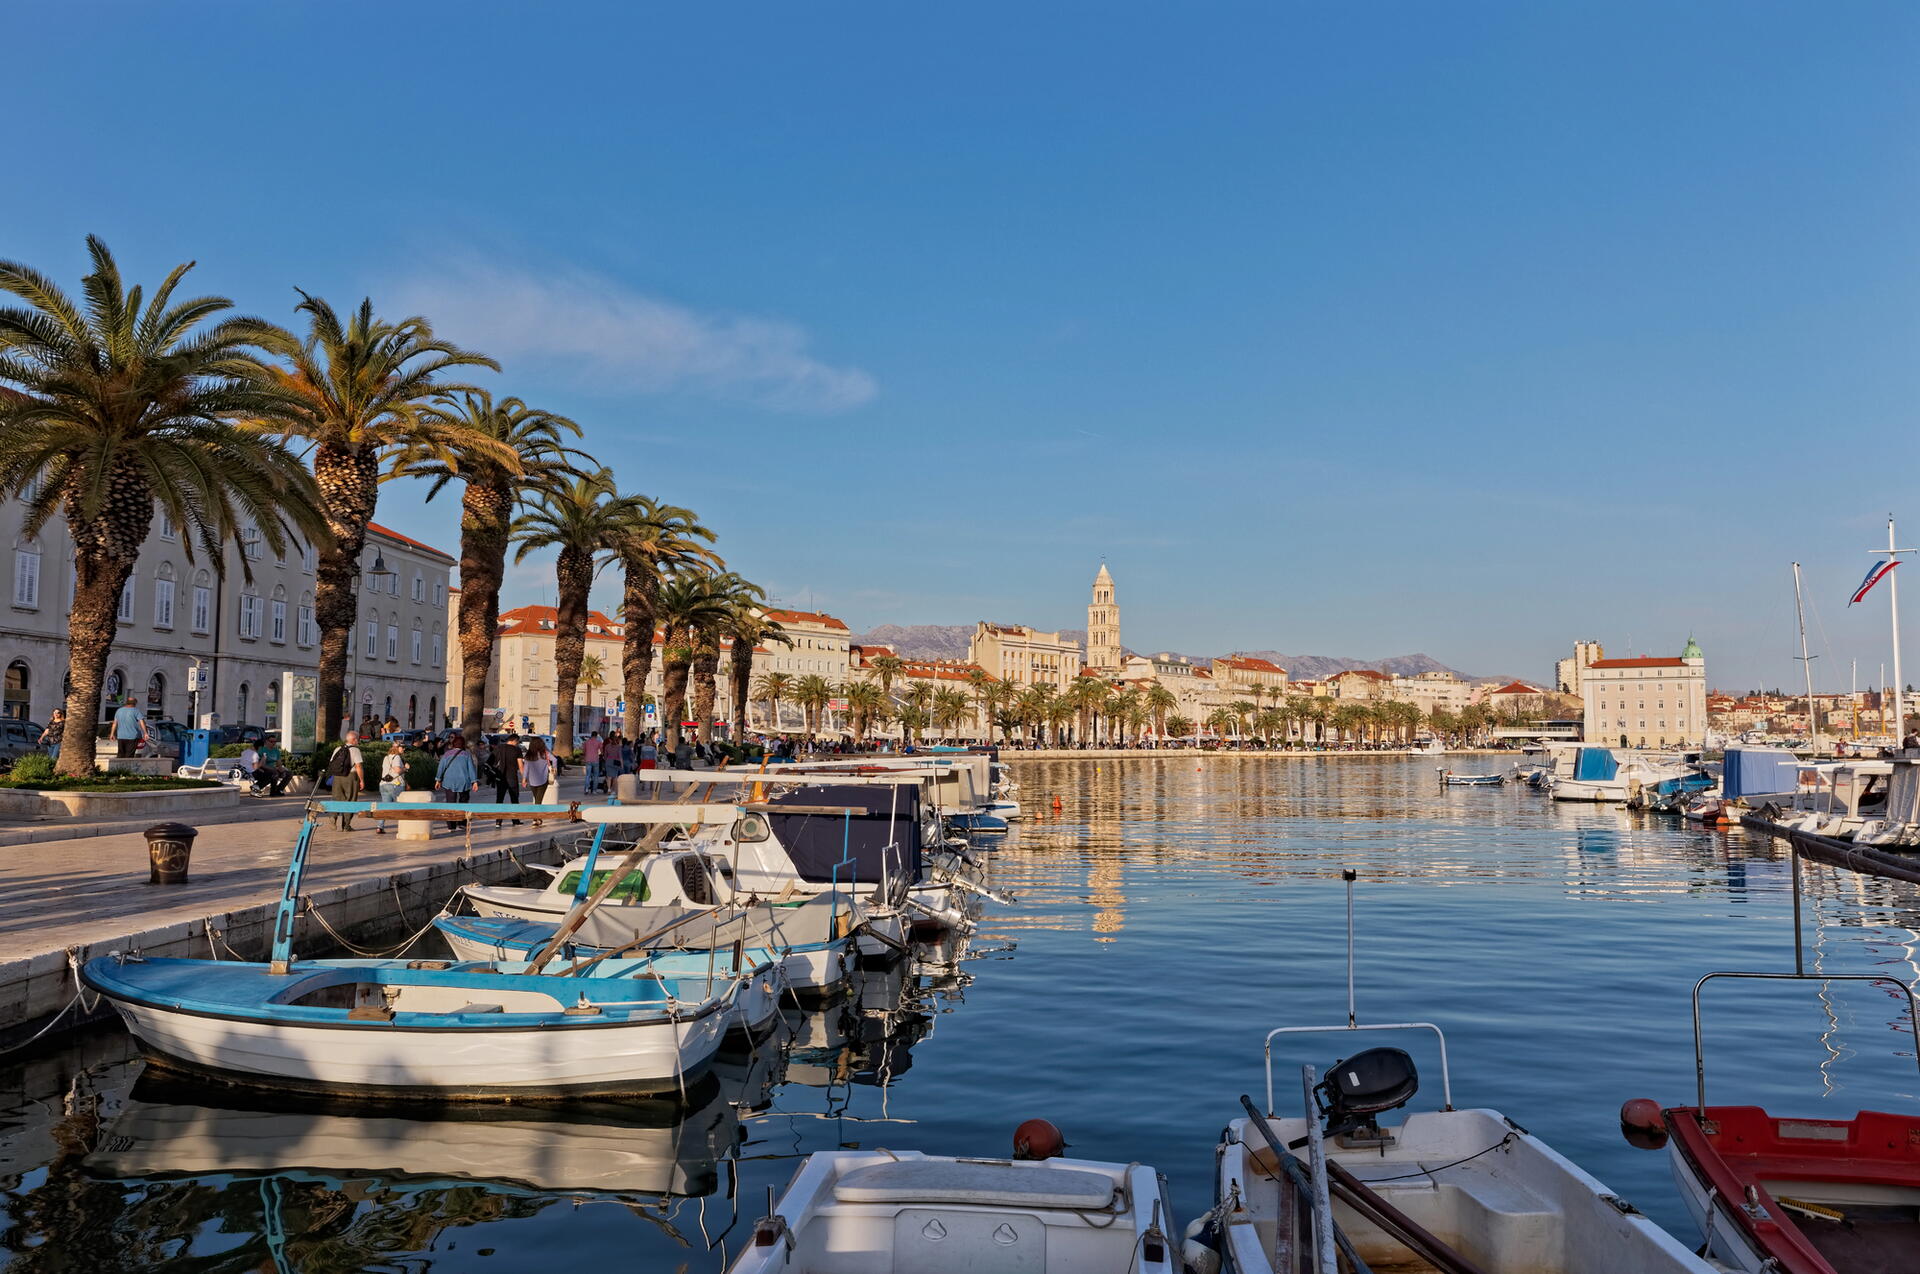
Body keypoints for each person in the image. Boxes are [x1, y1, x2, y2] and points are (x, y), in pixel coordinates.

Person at [435, 732, 480, 831]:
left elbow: (441, 768)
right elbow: (471, 769)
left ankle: (451, 826)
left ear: (453, 744)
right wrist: (474, 782)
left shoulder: (447, 754)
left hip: (449, 782)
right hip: (464, 781)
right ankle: (462, 823)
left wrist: (438, 780)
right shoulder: (466, 755)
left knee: (450, 803)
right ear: (463, 745)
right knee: (463, 803)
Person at [325, 732, 367, 831]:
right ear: (354, 740)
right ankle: (346, 825)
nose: (358, 741)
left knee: (336, 798)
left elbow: (331, 763)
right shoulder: (355, 750)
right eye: (358, 739)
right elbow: (358, 766)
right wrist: (362, 780)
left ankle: (333, 817)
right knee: (350, 800)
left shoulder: (338, 748)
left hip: (337, 777)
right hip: (350, 777)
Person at [490, 730, 523, 826]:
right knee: (514, 799)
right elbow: (520, 765)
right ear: (514, 741)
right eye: (517, 742)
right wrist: (524, 777)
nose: (517, 744)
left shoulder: (499, 748)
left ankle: (498, 821)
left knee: (499, 799)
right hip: (512, 777)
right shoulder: (517, 750)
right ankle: (515, 820)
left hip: (500, 777)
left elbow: (492, 761)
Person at [375, 742, 407, 835]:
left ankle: (379, 827)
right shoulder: (396, 757)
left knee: (385, 807)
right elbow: (397, 770)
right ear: (397, 748)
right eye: (402, 747)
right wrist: (405, 768)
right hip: (395, 785)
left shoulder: (386, 757)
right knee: (400, 807)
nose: (404, 749)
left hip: (384, 784)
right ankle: (403, 827)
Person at [522, 736, 554, 805]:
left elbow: (526, 768)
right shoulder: (545, 753)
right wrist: (554, 768)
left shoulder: (529, 755)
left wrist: (524, 779)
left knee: (537, 799)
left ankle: (536, 812)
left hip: (532, 781)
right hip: (543, 780)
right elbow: (555, 760)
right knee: (538, 800)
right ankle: (537, 813)